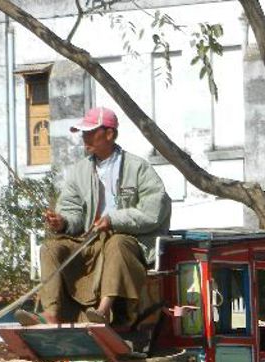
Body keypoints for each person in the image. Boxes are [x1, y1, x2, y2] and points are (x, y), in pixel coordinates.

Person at [20, 106, 171, 328]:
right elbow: (72, 211)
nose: (84, 137)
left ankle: (103, 310)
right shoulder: (79, 171)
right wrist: (63, 222)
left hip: (127, 242)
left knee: (117, 243)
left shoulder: (138, 168)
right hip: (87, 242)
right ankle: (51, 312)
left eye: (90, 132)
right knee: (50, 249)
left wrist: (114, 219)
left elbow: (153, 210)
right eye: (83, 132)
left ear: (109, 134)